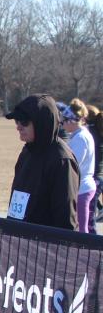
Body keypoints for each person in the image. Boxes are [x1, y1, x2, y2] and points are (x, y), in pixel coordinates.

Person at [4, 95, 78, 230]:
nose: (18, 127)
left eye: (24, 122)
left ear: (41, 123)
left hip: (44, 240)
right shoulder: (27, 151)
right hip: (20, 236)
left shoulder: (62, 160)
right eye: (17, 121)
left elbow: (66, 219)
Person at [60, 100, 96, 233]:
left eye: (65, 120)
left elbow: (73, 165)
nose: (62, 123)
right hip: (82, 188)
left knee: (81, 230)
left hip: (82, 189)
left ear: (73, 121)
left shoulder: (80, 138)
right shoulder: (79, 135)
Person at [86, 105, 103, 233]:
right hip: (100, 177)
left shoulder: (90, 134)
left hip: (94, 178)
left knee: (89, 218)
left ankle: (93, 241)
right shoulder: (99, 132)